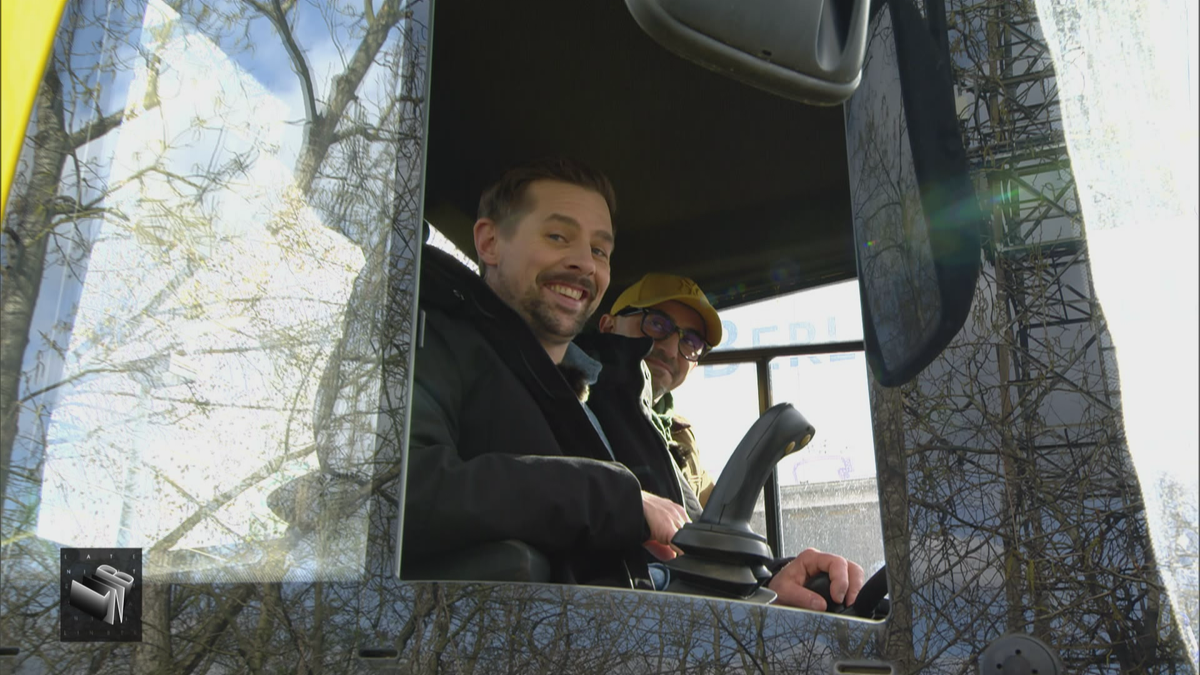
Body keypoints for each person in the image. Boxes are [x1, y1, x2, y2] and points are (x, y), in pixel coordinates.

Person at [404, 157, 863, 610]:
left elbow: (686, 547)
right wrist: (615, 497)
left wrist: (769, 583)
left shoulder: (604, 402)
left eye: (600, 251)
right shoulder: (432, 341)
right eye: (558, 236)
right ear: (489, 242)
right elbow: (399, 494)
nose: (584, 264)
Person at [597, 273, 720, 507]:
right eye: (656, 323)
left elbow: (717, 522)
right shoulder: (578, 407)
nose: (672, 350)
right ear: (608, 327)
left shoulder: (680, 434)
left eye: (691, 342)